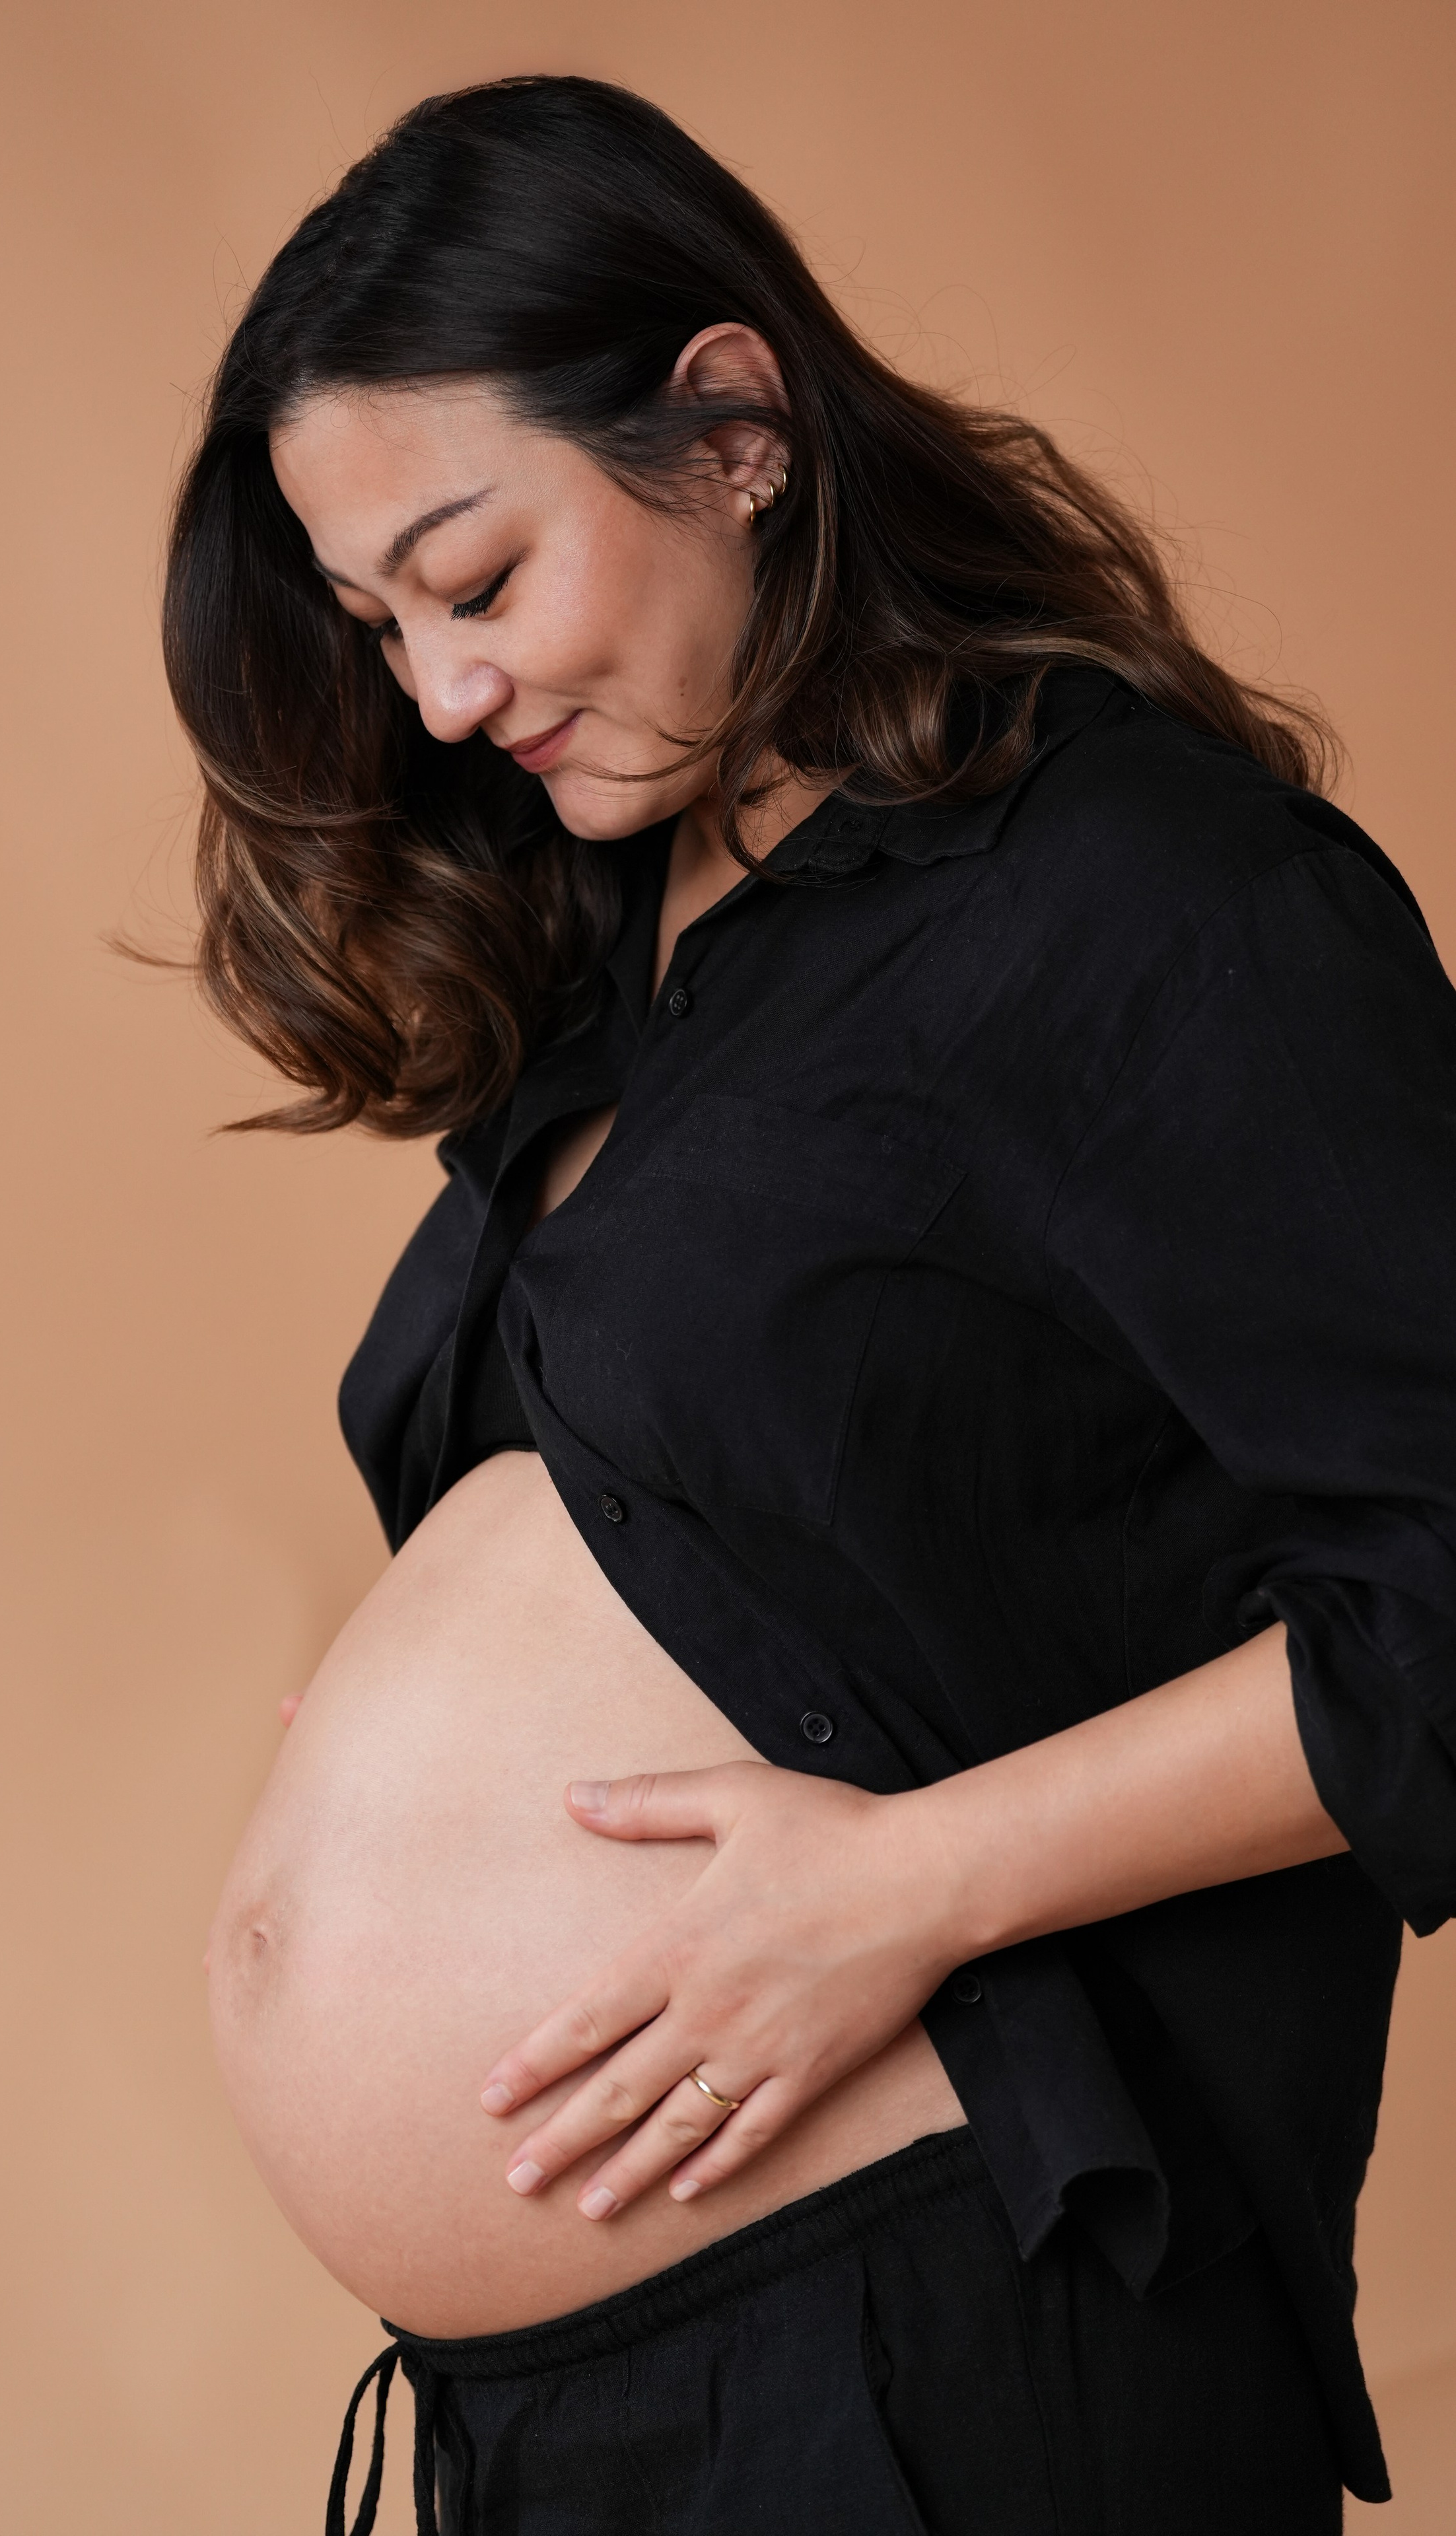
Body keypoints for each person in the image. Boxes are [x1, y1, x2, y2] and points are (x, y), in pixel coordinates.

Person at [164, 74, 1456, 2535]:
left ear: (733, 429)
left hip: (943, 2346)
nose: (437, 696)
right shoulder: (645, 960)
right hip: (611, 2397)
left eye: (477, 576)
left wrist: (903, 1889)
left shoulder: (1138, 893)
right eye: (376, 624)